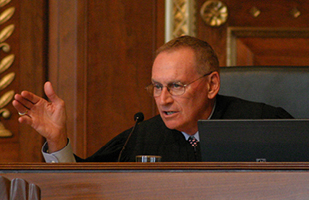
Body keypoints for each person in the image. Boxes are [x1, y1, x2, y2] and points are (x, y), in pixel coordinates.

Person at [12, 36, 293, 162]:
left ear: (212, 84)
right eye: (157, 87)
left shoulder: (262, 124)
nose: (163, 99)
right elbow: (86, 187)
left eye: (176, 86)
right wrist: (57, 139)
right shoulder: (141, 137)